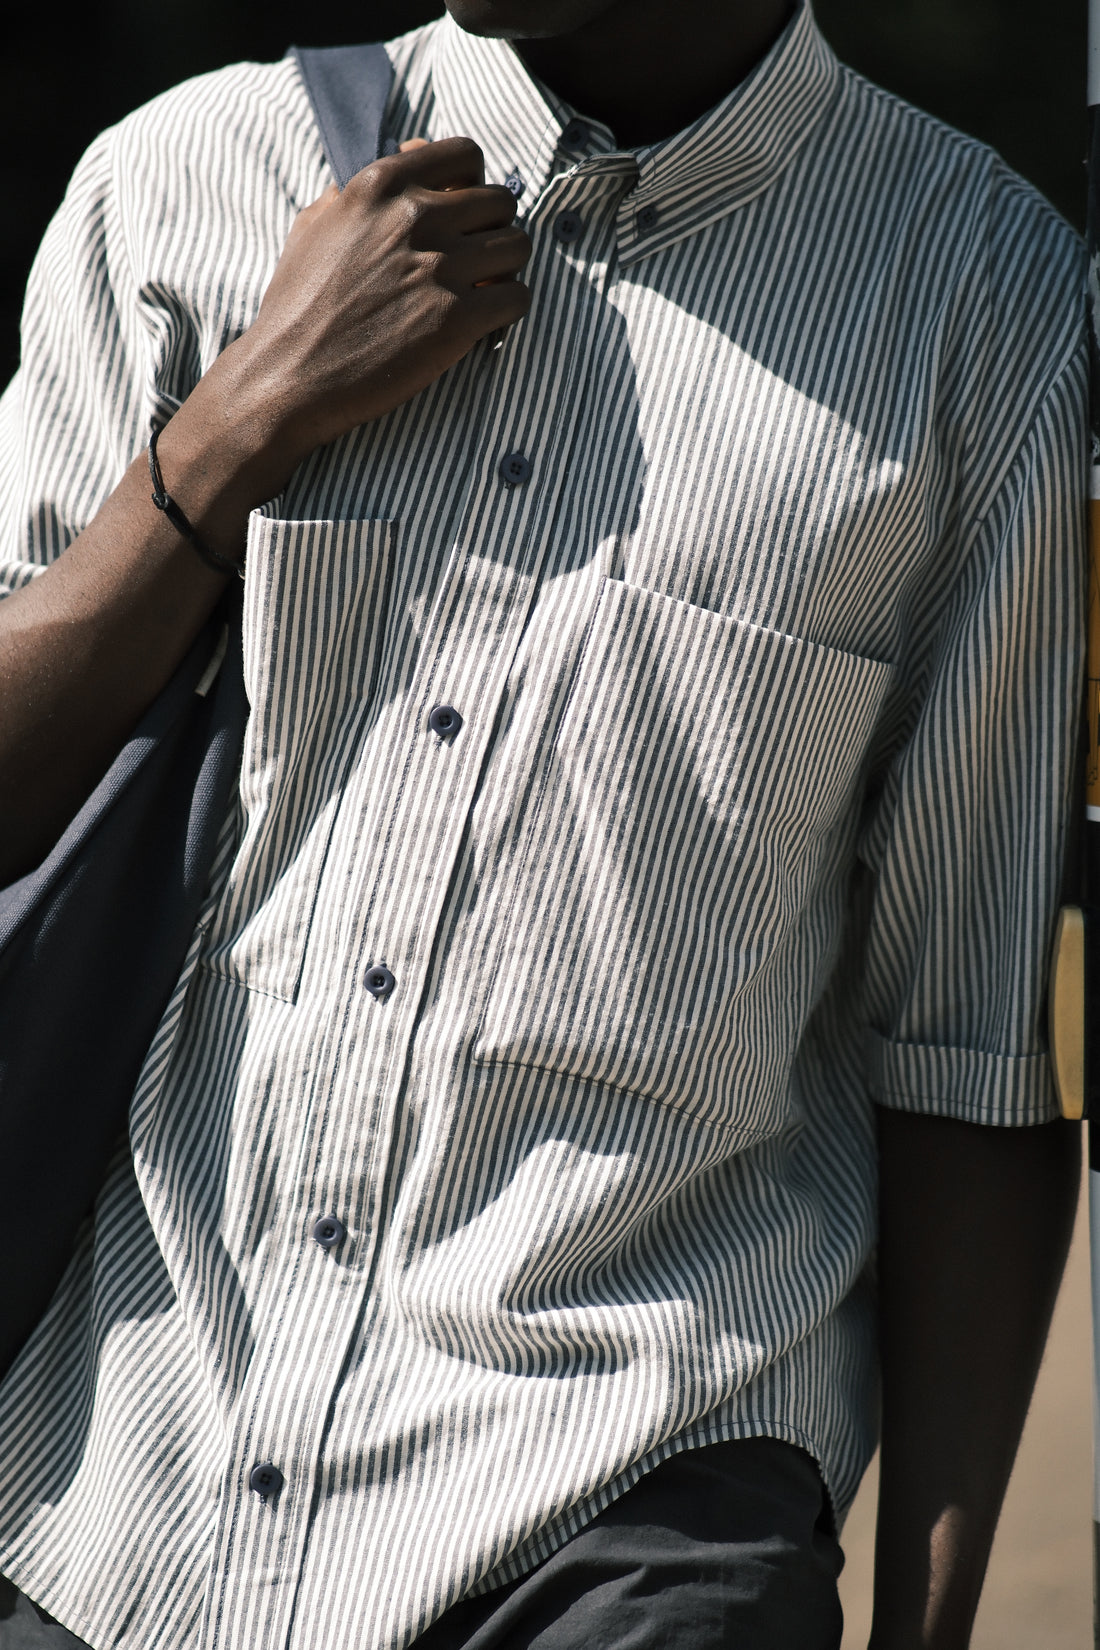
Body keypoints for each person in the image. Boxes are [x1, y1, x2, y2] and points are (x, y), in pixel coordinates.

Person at [0, 0, 1084, 1644]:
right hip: (121, 1494)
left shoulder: (988, 313)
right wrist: (234, 431)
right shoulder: (185, 186)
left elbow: (970, 1049)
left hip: (635, 1510)